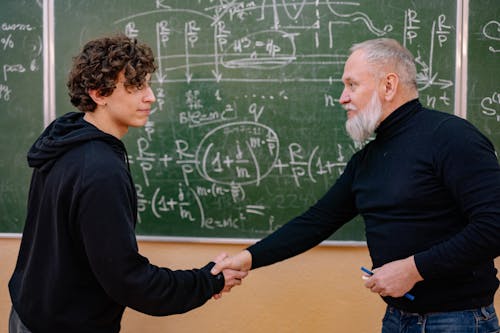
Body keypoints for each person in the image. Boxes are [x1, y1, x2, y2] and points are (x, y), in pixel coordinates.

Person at [212, 38, 500, 332]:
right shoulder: (367, 159)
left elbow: (494, 226)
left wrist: (413, 270)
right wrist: (246, 259)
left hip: (458, 321)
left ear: (388, 85)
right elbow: (315, 222)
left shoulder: (451, 137)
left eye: (352, 85)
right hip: (397, 318)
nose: (342, 98)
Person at [8, 34, 246, 333]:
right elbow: (131, 282)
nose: (150, 97)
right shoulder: (100, 170)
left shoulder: (64, 141)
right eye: (135, 87)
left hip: (29, 312)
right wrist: (211, 279)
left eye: (147, 84)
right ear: (98, 93)